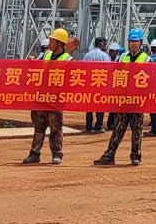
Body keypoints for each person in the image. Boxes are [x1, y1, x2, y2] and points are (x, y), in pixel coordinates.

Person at [94, 29, 149, 167]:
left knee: (137, 130)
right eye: (131, 41)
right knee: (118, 128)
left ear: (140, 43)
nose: (133, 44)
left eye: (136, 41)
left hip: (137, 101)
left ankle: (136, 156)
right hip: (123, 100)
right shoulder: (123, 57)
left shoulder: (147, 59)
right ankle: (109, 155)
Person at [23, 28, 73, 165]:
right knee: (39, 128)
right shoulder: (46, 55)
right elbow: (36, 67)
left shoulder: (68, 60)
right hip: (41, 98)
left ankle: (57, 154)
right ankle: (34, 154)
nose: (49, 43)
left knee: (55, 128)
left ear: (60, 43)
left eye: (52, 41)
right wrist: (31, 61)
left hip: (55, 100)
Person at [82, 37, 110, 133]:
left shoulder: (87, 55)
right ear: (100, 43)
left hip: (89, 84)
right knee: (100, 105)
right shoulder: (104, 56)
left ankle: (88, 126)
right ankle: (99, 125)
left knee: (89, 106)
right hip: (100, 84)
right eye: (105, 44)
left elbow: (83, 69)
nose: (106, 46)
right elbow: (109, 70)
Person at [105, 41, 121, 131]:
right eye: (110, 51)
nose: (111, 52)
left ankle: (112, 123)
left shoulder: (120, 60)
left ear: (117, 52)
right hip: (107, 86)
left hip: (117, 86)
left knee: (115, 106)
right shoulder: (106, 59)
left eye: (113, 51)